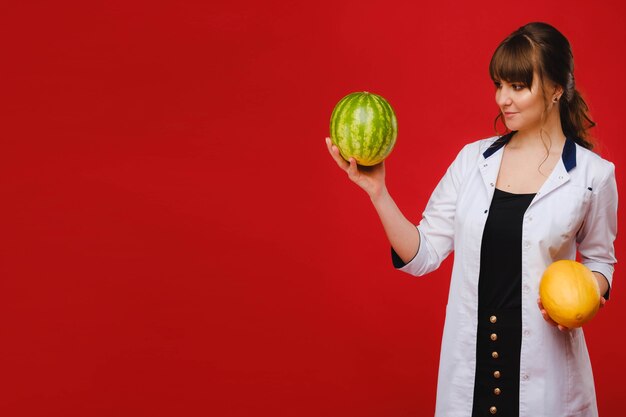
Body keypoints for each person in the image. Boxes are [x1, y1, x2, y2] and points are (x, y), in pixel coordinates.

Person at [325, 22, 617, 417]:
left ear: (556, 89)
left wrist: (585, 298)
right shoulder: (471, 161)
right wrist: (378, 192)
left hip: (544, 375)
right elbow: (423, 253)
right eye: (499, 85)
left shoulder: (592, 175)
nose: (503, 99)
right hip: (473, 372)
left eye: (518, 86)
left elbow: (600, 261)